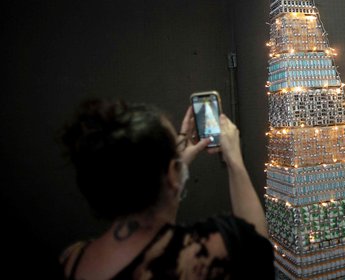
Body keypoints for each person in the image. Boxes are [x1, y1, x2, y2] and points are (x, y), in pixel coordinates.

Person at [58, 98, 274, 279]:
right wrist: (234, 159)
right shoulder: (206, 252)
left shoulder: (72, 259)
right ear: (172, 172)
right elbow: (258, 250)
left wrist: (175, 168)